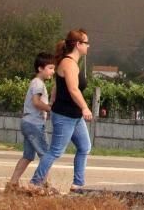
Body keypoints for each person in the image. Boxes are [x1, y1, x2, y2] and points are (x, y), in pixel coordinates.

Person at [31, 29, 93, 193]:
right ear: (78, 45)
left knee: (84, 146)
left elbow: (58, 87)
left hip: (74, 115)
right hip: (65, 115)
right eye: (86, 43)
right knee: (56, 151)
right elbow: (73, 89)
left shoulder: (72, 64)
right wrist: (85, 107)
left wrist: (53, 100)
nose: (88, 46)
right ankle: (35, 183)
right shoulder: (69, 64)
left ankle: (78, 184)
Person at [7, 52, 55, 190]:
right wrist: (50, 109)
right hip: (34, 124)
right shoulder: (38, 84)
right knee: (46, 155)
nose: (52, 71)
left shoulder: (36, 83)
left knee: (28, 156)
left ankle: (13, 183)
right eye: (50, 68)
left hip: (28, 122)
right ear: (40, 68)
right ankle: (42, 184)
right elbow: (36, 102)